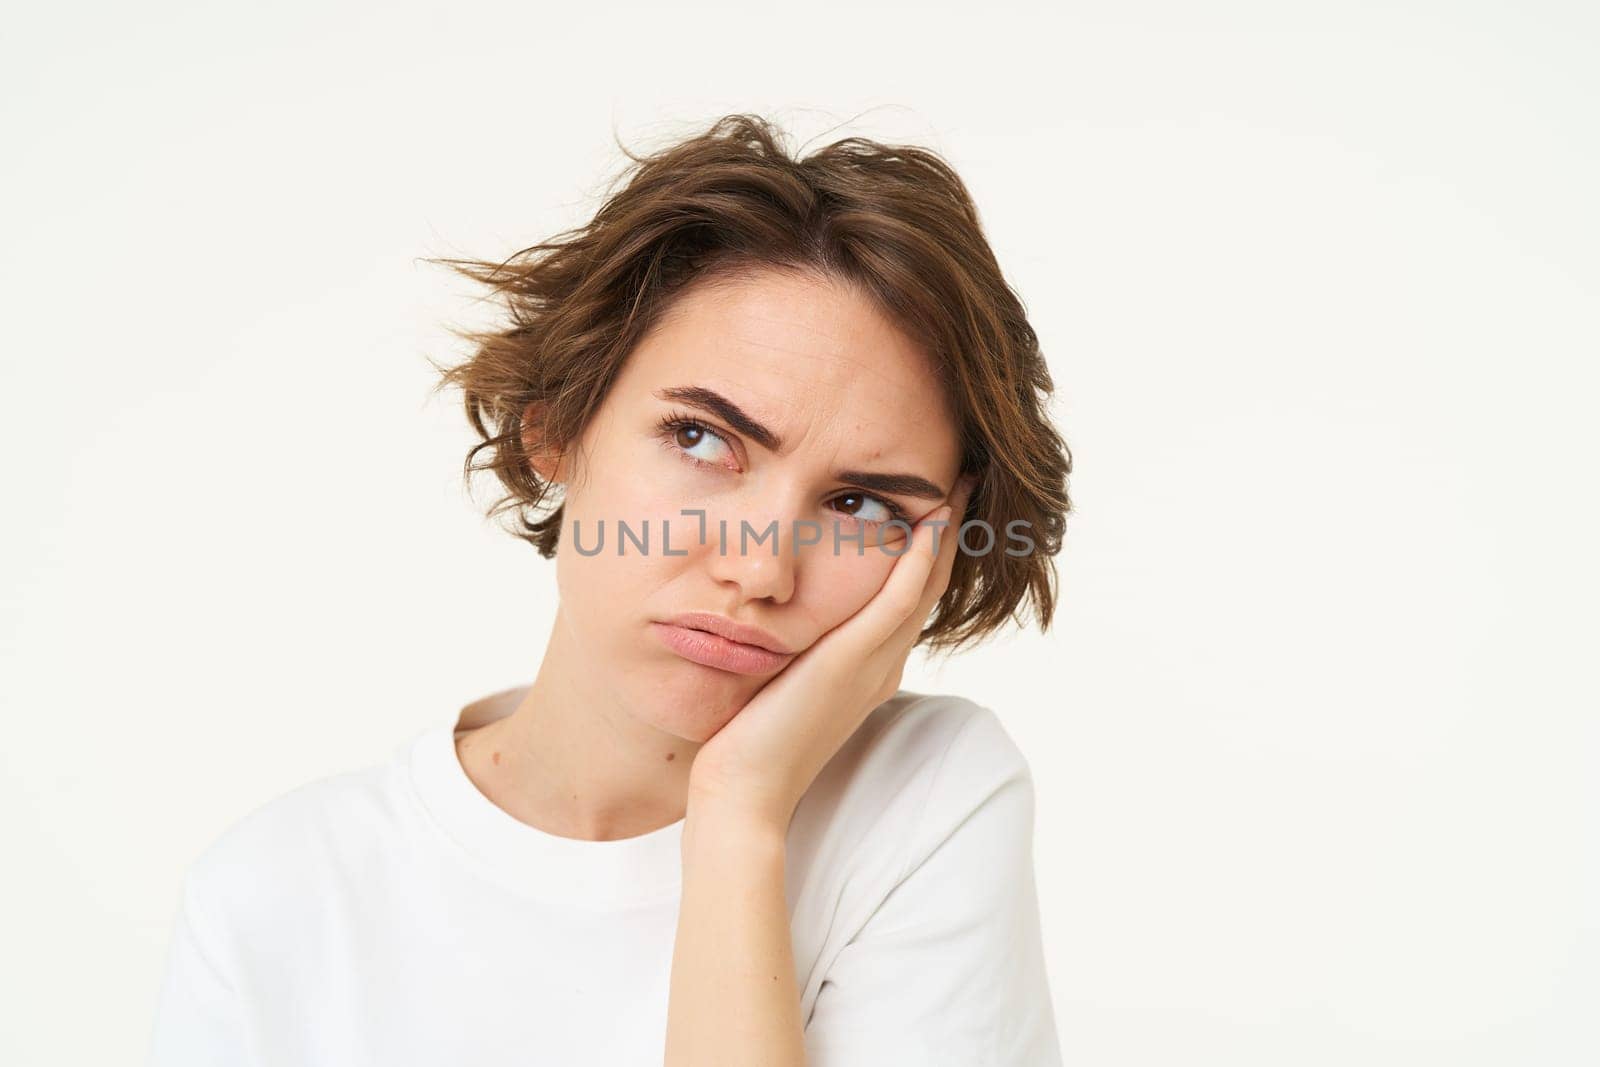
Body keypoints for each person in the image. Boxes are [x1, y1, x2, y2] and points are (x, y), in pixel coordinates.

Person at [147, 113, 1074, 1066]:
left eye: (860, 502)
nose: (759, 569)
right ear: (555, 426)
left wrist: (741, 813)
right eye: (702, 439)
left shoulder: (923, 800)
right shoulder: (280, 894)